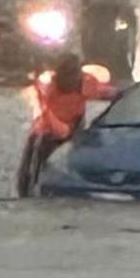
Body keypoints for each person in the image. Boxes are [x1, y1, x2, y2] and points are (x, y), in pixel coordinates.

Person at [16, 54, 116, 198]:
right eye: (67, 74)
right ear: (59, 74)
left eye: (75, 74)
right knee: (32, 167)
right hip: (46, 132)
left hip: (73, 130)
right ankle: (28, 194)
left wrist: (125, 94)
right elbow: (44, 114)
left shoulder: (86, 83)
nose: (72, 80)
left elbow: (107, 93)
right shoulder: (48, 87)